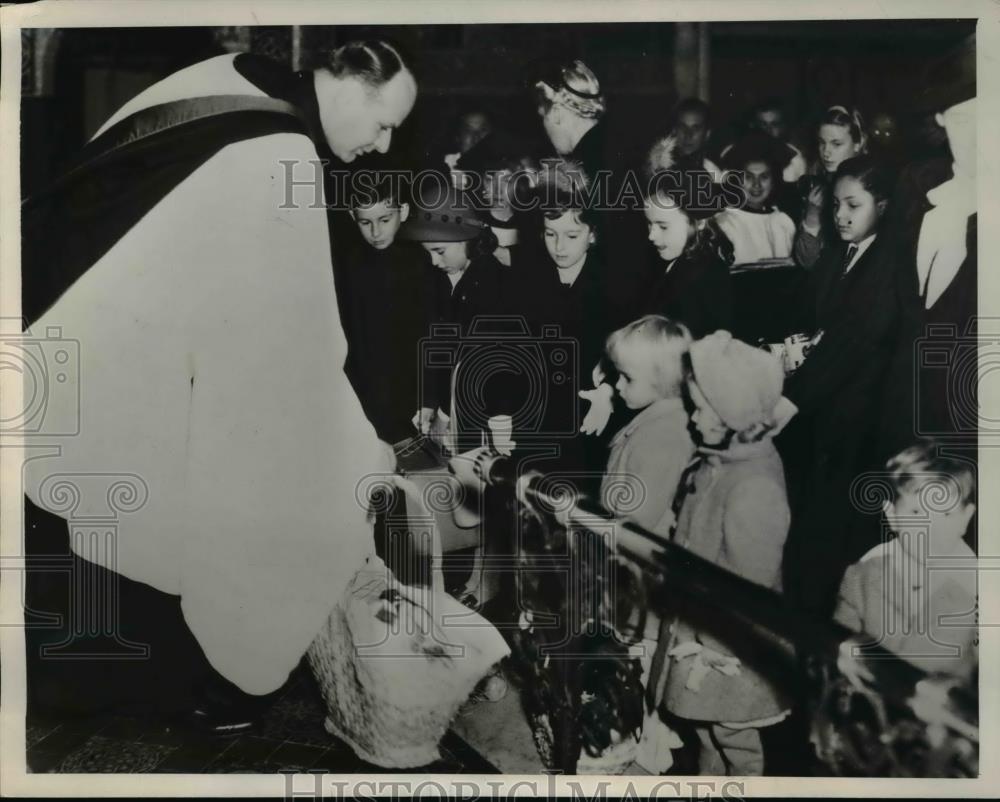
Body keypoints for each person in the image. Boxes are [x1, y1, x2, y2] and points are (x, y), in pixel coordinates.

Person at [21, 40, 417, 730]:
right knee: (226, 500)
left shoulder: (234, 72)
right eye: (383, 123)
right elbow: (292, 351)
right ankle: (213, 682)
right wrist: (354, 449)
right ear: (348, 85)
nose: (382, 147)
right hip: (118, 341)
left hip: (62, 310)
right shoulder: (279, 154)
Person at [647, 330, 792, 776]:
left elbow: (749, 585)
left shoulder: (753, 488)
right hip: (701, 628)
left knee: (732, 733)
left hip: (728, 645)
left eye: (701, 409)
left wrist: (711, 641)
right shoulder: (721, 460)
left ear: (734, 413)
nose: (692, 418)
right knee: (707, 730)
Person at [778, 155, 900, 618]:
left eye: (855, 204)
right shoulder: (838, 254)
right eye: (835, 205)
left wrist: (795, 395)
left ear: (883, 206)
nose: (842, 215)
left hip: (858, 425)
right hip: (825, 416)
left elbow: (855, 340)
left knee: (835, 537)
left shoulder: (886, 264)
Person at [878, 34, 976, 485]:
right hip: (905, 434)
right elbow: (885, 310)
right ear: (940, 118)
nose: (980, 137)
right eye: (965, 119)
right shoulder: (916, 189)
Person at [834, 441, 977, 680]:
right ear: (892, 516)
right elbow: (835, 645)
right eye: (916, 513)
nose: (930, 529)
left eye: (945, 513)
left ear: (965, 518)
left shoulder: (981, 588)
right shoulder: (862, 575)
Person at [342, 178, 438, 445]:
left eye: (384, 220)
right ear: (353, 216)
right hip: (368, 394)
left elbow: (431, 332)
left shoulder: (422, 260)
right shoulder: (351, 264)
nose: (375, 231)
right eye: (365, 222)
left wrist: (428, 397)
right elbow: (353, 338)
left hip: (414, 394)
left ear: (403, 212)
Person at [600, 315, 695, 537]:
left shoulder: (663, 438)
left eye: (627, 377)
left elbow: (634, 525)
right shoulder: (655, 422)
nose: (617, 384)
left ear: (662, 379)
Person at [639, 170, 736, 339]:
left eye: (663, 226)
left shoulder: (704, 273)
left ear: (699, 223)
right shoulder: (675, 263)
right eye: (649, 224)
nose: (651, 236)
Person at [793, 105, 867, 269]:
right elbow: (808, 262)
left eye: (836, 144)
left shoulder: (871, 186)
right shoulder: (818, 188)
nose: (826, 152)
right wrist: (812, 217)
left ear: (858, 143)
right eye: (822, 143)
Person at [714, 131, 797, 266]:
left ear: (773, 181)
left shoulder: (783, 222)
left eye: (764, 177)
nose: (756, 185)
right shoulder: (725, 222)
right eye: (749, 177)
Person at [669, 97, 724, 182]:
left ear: (707, 134)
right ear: (674, 130)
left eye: (695, 129)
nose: (688, 135)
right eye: (683, 127)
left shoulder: (713, 174)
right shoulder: (660, 165)